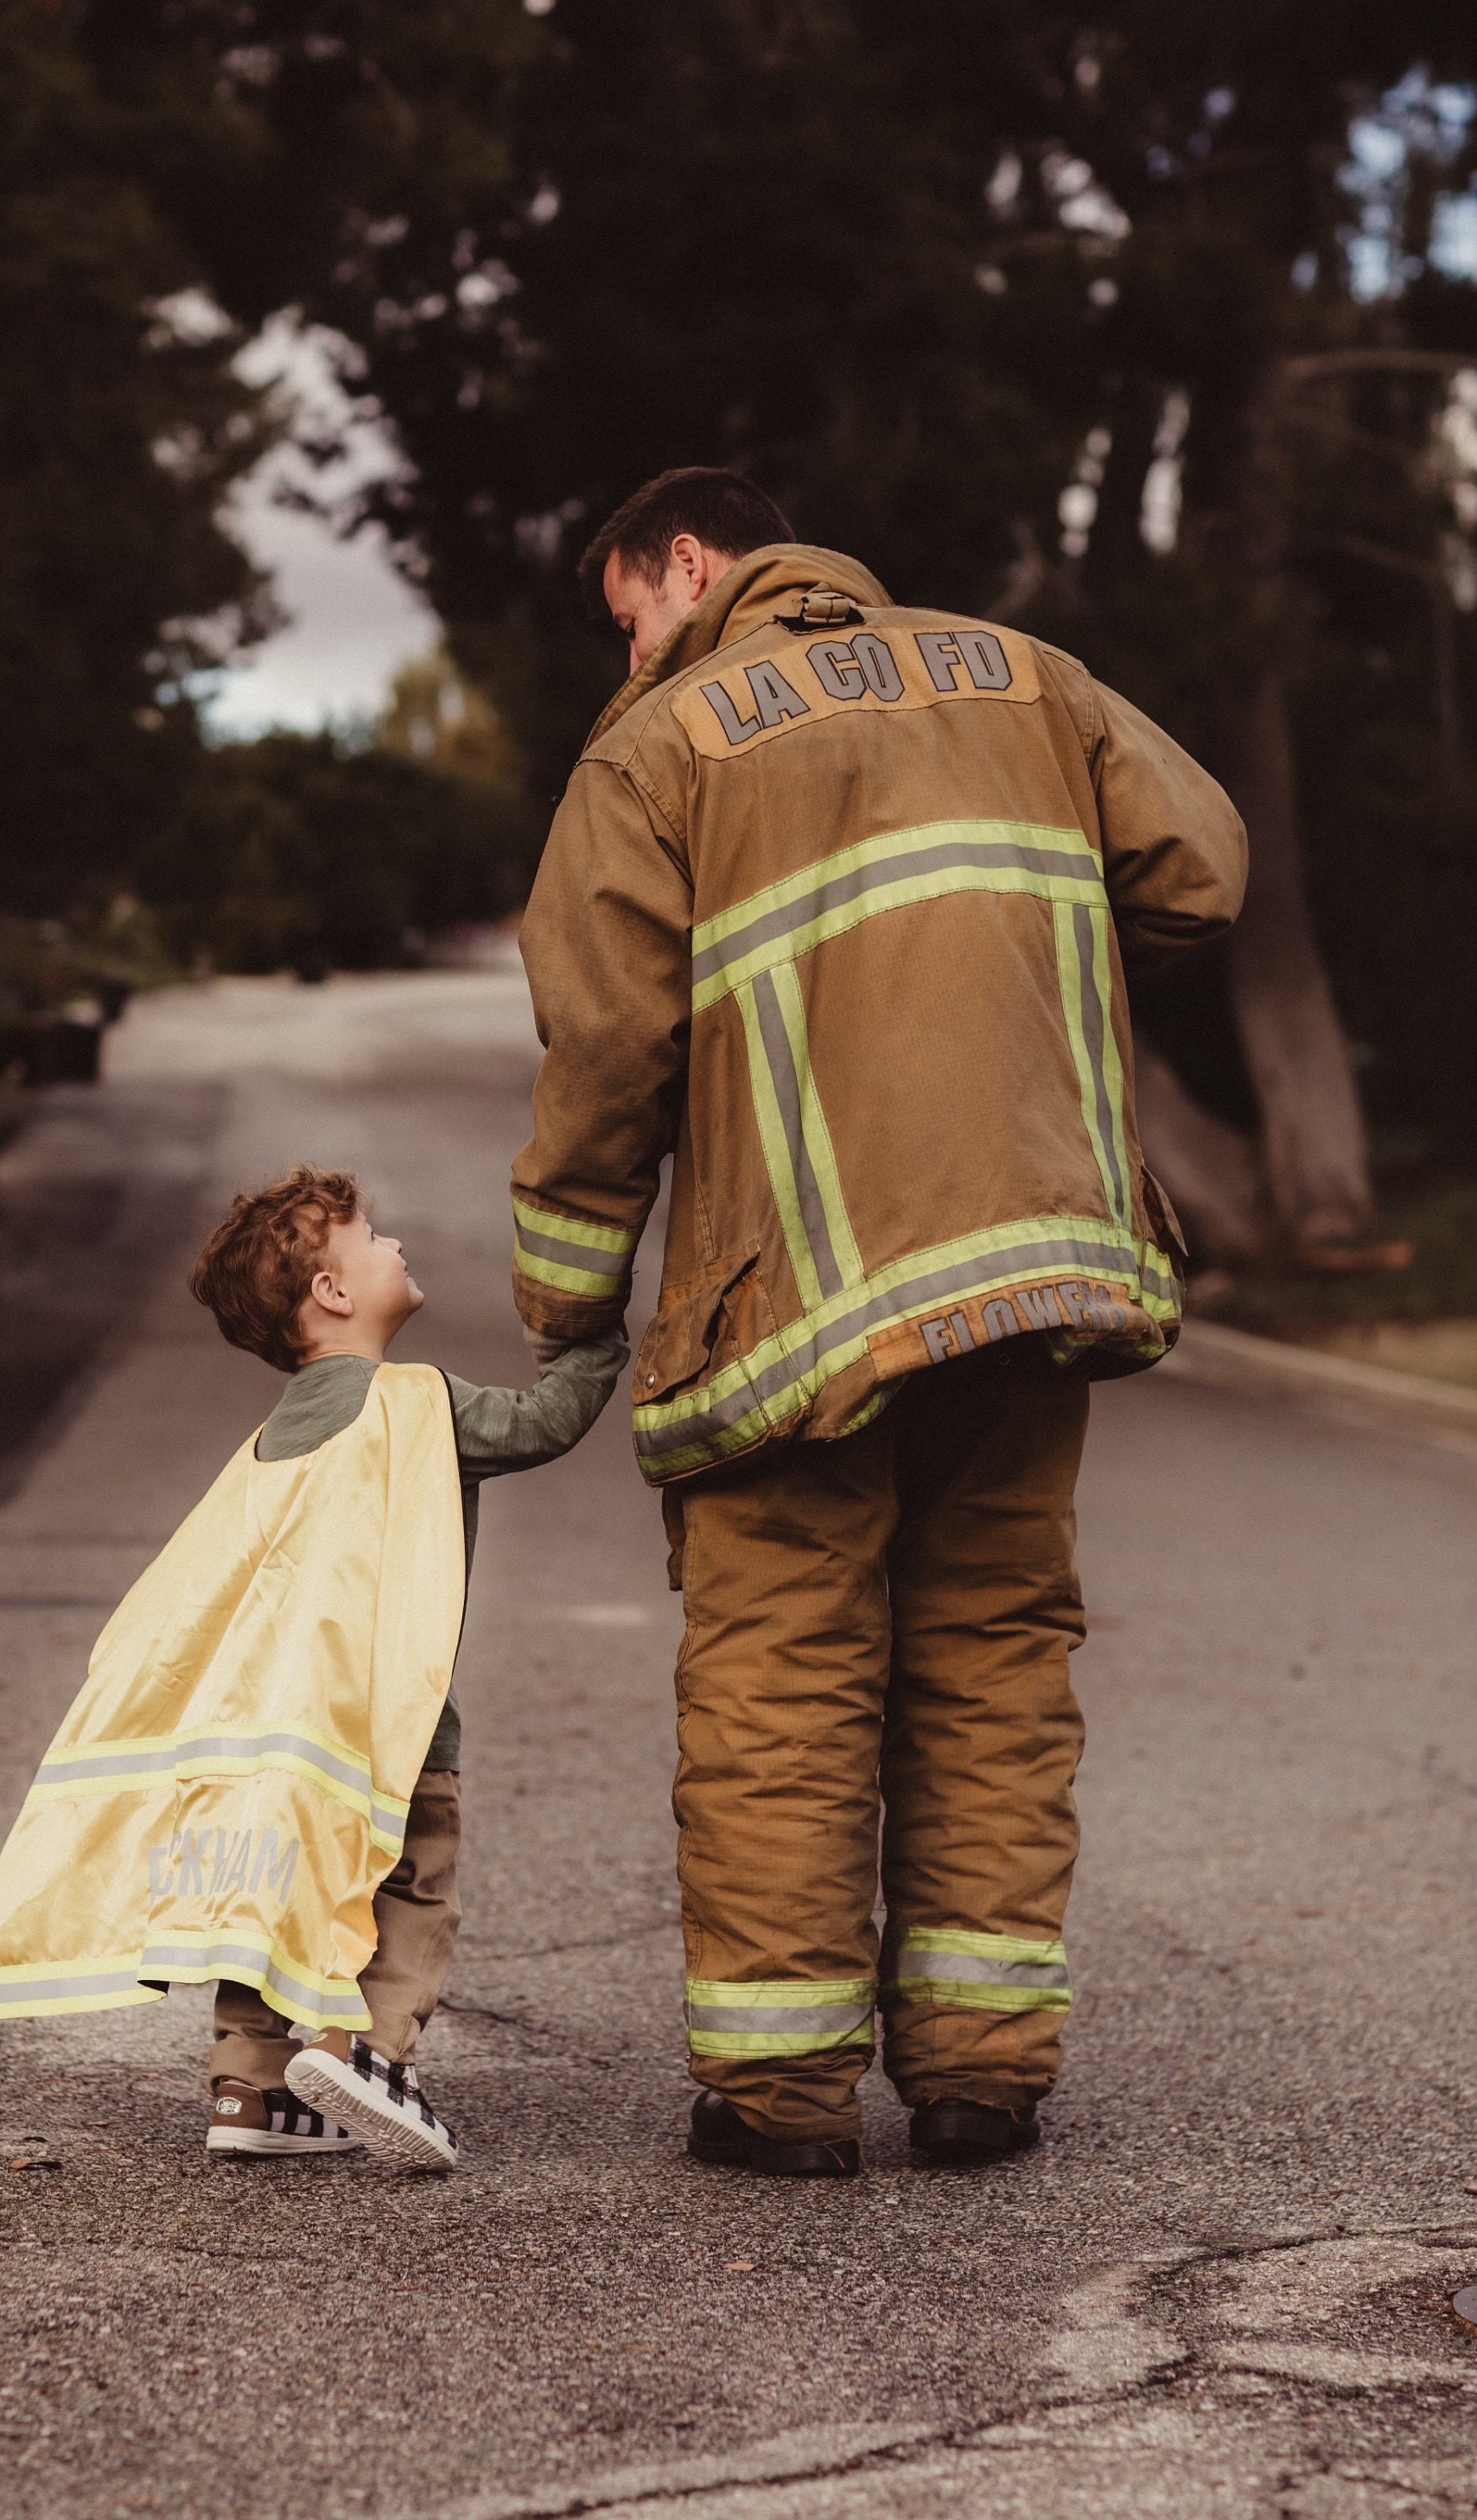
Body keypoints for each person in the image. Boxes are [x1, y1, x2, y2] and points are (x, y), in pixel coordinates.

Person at [511, 465, 1247, 2180]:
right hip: (1032, 1272)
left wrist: (568, 1305)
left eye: (624, 616)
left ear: (685, 563)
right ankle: (982, 2077)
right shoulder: (1024, 676)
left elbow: (603, 1064)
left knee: (783, 1681)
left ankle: (780, 2104)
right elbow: (1198, 870)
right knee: (994, 1661)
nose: (623, 656)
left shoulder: (662, 744)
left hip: (793, 1310)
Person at [0, 1167, 624, 2172]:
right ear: (332, 1293)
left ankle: (249, 2087)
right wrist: (589, 1337)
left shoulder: (271, 1439)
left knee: (269, 1903)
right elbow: (546, 1422)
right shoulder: (417, 1403)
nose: (395, 1243)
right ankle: (367, 2056)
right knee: (405, 1891)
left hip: (276, 1739)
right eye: (373, 1234)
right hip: (389, 1734)